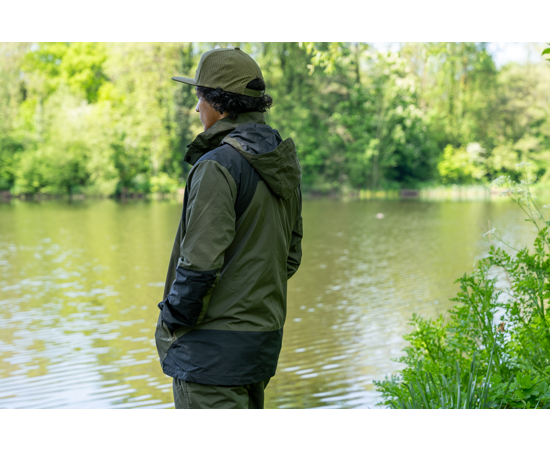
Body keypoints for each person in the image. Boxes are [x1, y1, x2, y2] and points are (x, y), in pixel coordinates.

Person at [154, 47, 303, 409]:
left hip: (210, 355)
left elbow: (199, 265)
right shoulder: (281, 162)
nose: (196, 108)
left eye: (200, 97)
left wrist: (171, 320)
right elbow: (290, 257)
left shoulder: (218, 165)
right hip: (260, 345)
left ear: (220, 104)